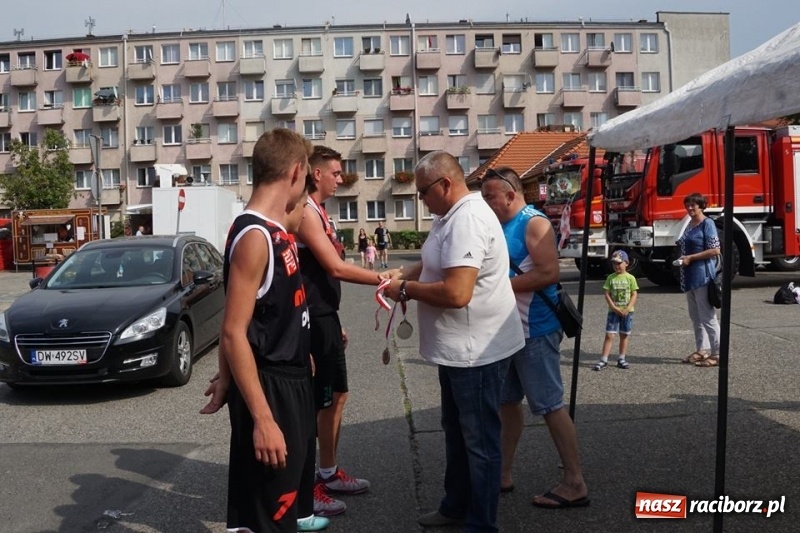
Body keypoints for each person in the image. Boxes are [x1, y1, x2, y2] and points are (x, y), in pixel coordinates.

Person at [384, 152, 524, 532]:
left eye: (423, 192)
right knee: (459, 432)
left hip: (475, 352)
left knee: (478, 440)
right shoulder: (449, 216)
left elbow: (458, 292)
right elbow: (434, 264)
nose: (420, 199)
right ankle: (456, 506)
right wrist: (403, 276)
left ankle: (480, 523)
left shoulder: (467, 220)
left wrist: (406, 289)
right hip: (461, 351)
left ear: (445, 184)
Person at [199, 128, 326, 533]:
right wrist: (263, 419)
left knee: (288, 508)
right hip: (272, 389)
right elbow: (234, 331)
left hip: (293, 379)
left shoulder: (274, 231)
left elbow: (252, 318)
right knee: (268, 514)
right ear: (296, 172)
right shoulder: (255, 236)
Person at [295, 145, 399, 517]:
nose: (341, 179)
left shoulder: (321, 211)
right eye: (336, 173)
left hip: (326, 315)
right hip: (312, 318)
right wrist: (381, 277)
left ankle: (327, 471)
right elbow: (335, 267)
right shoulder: (305, 210)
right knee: (316, 402)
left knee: (338, 395)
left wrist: (334, 321)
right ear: (316, 174)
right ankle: (307, 485)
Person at [480, 166, 590, 511]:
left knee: (549, 405)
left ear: (511, 194)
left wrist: (494, 289)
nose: (485, 203)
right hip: (509, 331)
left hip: (535, 331)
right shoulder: (499, 223)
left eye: (490, 197)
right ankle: (503, 474)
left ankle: (575, 482)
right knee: (508, 403)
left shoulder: (534, 222)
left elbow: (549, 273)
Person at [676, 192, 722, 367]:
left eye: (692, 205)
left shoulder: (707, 224)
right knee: (695, 316)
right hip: (689, 276)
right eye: (687, 205)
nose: (689, 208)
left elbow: (715, 250)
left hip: (703, 275)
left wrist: (691, 258)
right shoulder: (690, 224)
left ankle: (717, 353)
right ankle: (701, 349)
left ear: (701, 206)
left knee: (708, 317)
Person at [593, 250, 639, 371]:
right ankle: (604, 359)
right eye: (614, 263)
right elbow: (606, 293)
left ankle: (622, 358)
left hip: (627, 312)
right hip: (613, 311)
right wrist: (613, 307)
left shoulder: (631, 278)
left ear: (626, 263)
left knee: (624, 335)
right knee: (609, 335)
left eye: (619, 263)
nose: (616, 266)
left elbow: (634, 294)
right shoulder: (610, 278)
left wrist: (628, 308)